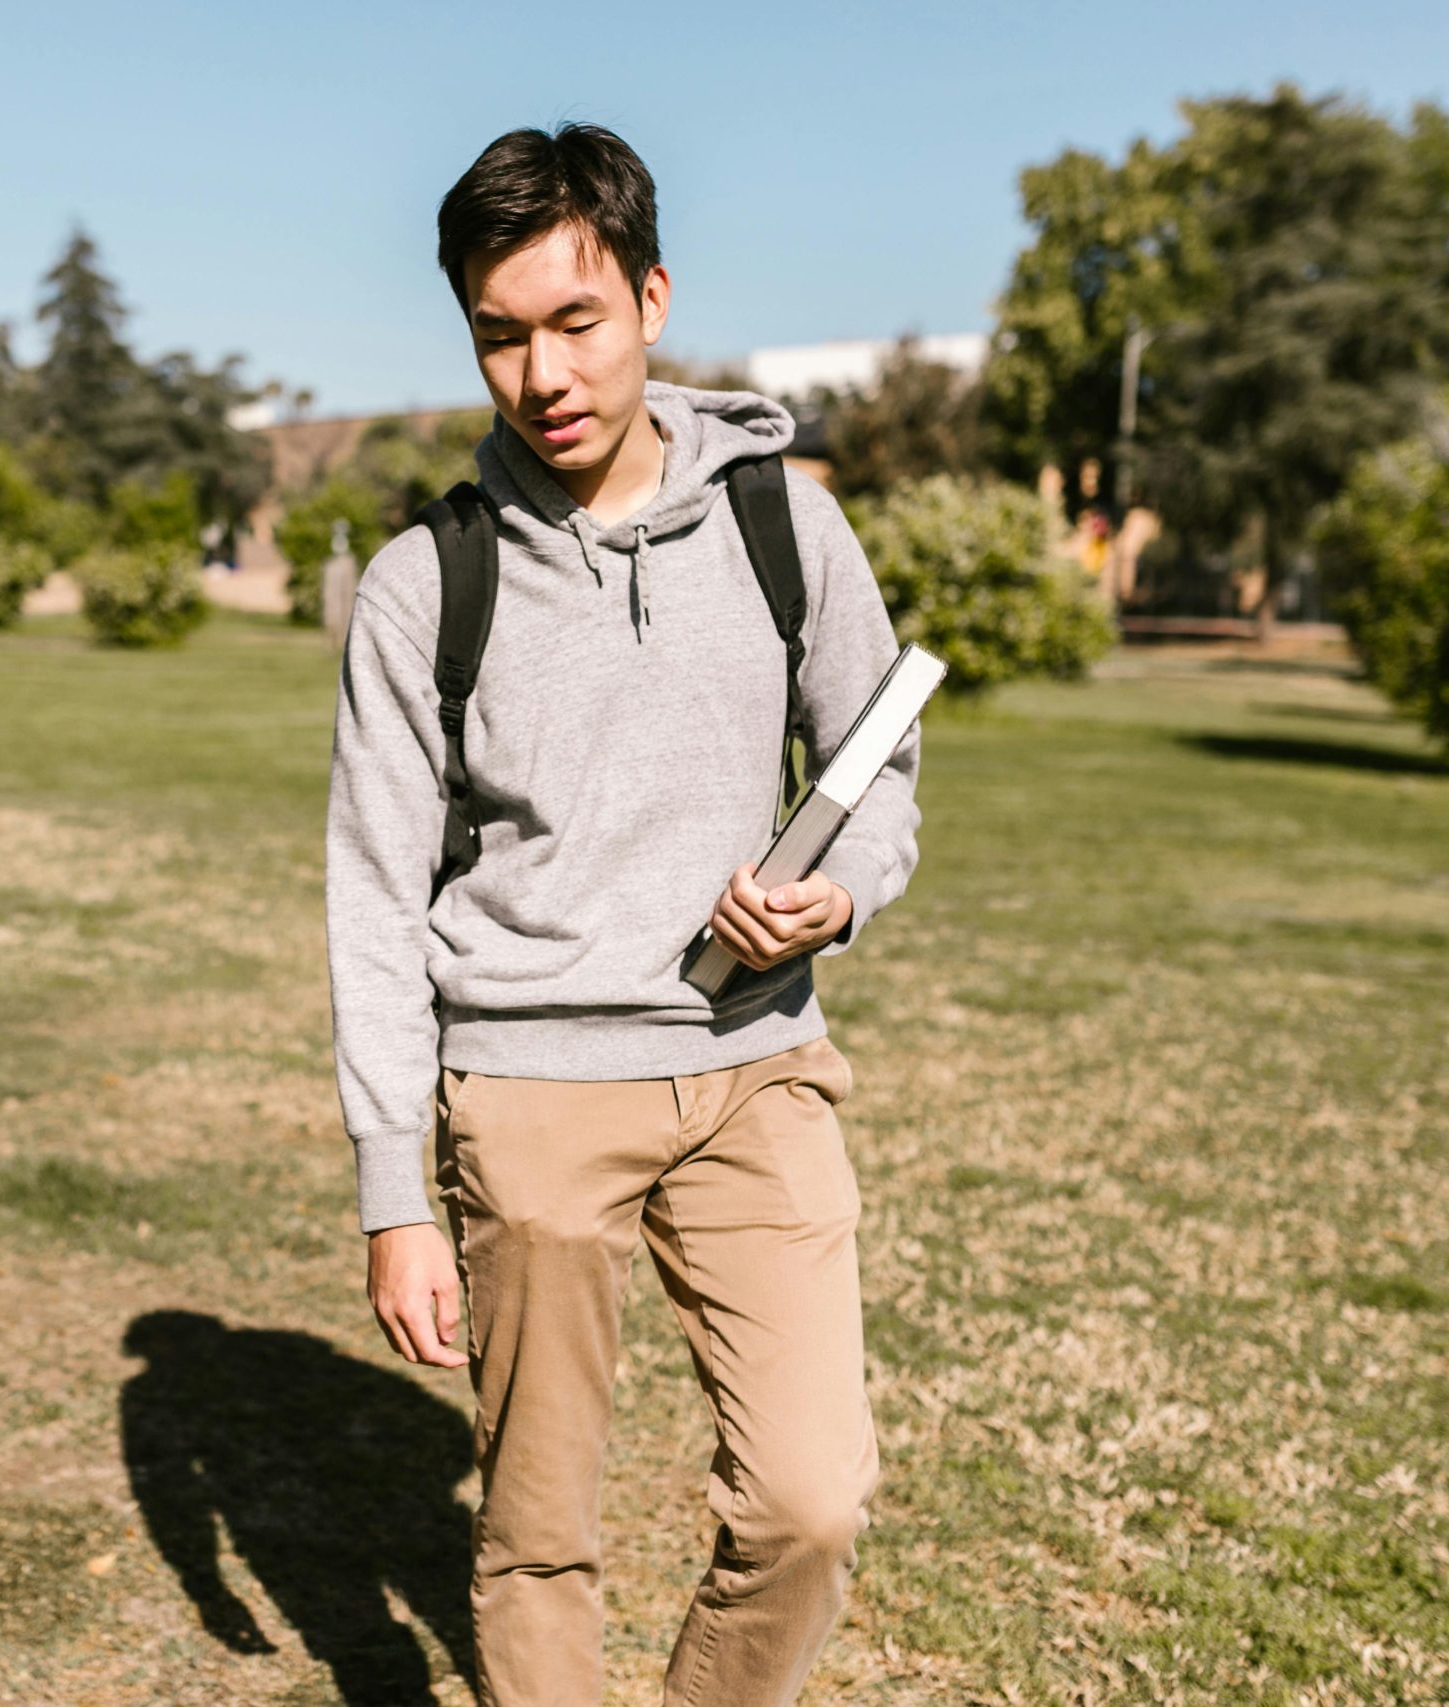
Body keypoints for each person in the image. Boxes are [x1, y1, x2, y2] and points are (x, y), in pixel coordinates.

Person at [325, 125, 922, 1706]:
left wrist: (835, 894)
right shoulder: (420, 586)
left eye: (574, 322)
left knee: (812, 1498)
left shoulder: (789, 524)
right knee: (537, 1536)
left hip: (757, 1073)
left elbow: (882, 775)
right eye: (499, 335)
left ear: (652, 298)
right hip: (524, 1099)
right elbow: (378, 900)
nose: (542, 373)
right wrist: (397, 1191)